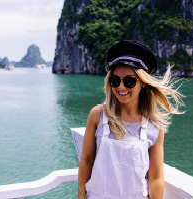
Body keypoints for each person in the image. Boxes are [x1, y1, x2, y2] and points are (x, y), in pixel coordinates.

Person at [77, 40, 184, 199]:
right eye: (115, 80)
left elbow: (155, 177)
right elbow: (86, 160)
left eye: (129, 81)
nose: (121, 87)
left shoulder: (154, 126)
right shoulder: (98, 115)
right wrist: (80, 196)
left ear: (142, 83)